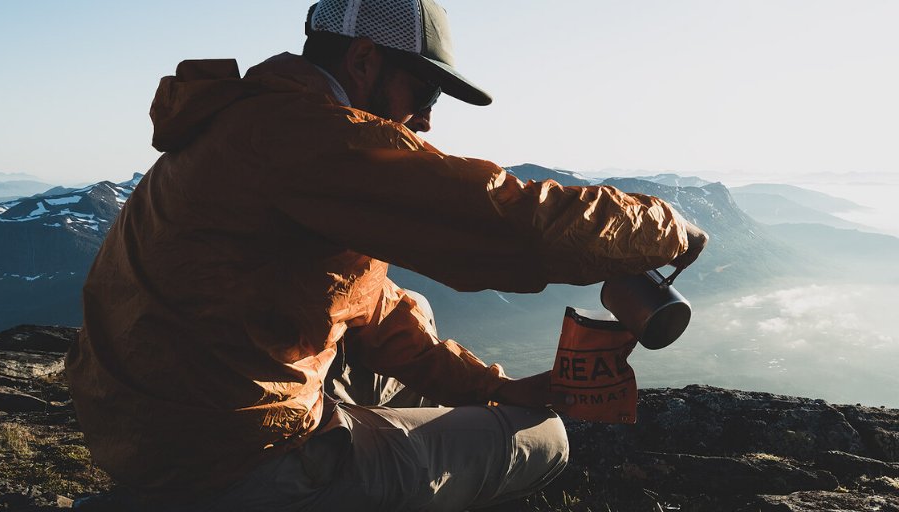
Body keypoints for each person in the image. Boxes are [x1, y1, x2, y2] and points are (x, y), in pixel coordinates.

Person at [65, 0, 708, 510]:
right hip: (231, 463)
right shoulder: (309, 137)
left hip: (151, 433)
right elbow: (501, 224)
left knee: (408, 309)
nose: (425, 120)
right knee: (545, 439)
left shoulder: (246, 121)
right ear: (365, 60)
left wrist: (494, 387)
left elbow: (366, 301)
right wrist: (662, 228)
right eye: (424, 93)